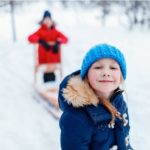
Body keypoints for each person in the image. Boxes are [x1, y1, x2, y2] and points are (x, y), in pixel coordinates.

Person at [58, 43, 133, 150]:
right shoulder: (76, 118)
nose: (106, 73)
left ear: (121, 76)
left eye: (113, 67)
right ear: (87, 75)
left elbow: (125, 143)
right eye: (98, 67)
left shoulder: (120, 103)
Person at [28, 10, 68, 83]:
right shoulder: (40, 31)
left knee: (52, 75)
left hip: (54, 59)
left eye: (48, 20)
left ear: (51, 21)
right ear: (43, 21)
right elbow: (30, 37)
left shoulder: (56, 31)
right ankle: (45, 87)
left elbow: (65, 39)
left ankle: (54, 88)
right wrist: (40, 40)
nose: (47, 22)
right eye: (45, 20)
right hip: (44, 59)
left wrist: (58, 42)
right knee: (46, 76)